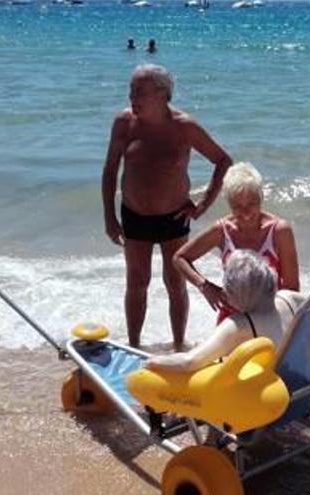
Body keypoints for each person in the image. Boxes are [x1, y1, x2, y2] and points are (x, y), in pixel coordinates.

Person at [102, 64, 232, 351]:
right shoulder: (124, 123)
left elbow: (223, 161)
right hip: (134, 214)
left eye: (139, 92)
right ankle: (134, 346)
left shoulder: (184, 126)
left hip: (174, 216)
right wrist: (110, 218)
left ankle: (178, 346)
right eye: (131, 90)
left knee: (175, 283)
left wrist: (203, 205)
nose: (132, 97)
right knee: (137, 283)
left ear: (161, 94)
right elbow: (110, 171)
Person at [173, 162, 299, 321]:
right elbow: (179, 258)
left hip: (271, 317)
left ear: (261, 198)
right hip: (232, 319)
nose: (246, 213)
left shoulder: (279, 231)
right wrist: (205, 286)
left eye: (251, 204)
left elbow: (292, 289)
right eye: (237, 206)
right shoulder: (222, 230)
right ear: (229, 203)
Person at [146, 249, 304, 372]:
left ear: (235, 293)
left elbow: (189, 362)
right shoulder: (290, 298)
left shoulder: (238, 325)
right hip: (301, 391)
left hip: (268, 403)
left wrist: (153, 361)